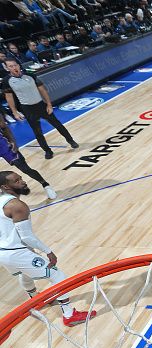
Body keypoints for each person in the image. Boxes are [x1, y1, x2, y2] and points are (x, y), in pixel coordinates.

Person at [0, 171, 96, 326]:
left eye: (21, 178)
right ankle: (69, 315)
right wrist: (48, 251)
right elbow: (27, 237)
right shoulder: (17, 206)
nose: (23, 182)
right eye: (17, 181)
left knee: (24, 273)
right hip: (16, 251)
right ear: (5, 186)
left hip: (4, 252)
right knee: (58, 275)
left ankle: (35, 299)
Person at [2, 59, 79, 160]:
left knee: (57, 124)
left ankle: (71, 140)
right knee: (37, 132)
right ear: (7, 68)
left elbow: (42, 89)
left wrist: (49, 104)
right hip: (27, 108)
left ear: (19, 65)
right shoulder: (7, 81)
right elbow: (9, 97)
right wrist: (15, 112)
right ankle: (47, 151)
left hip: (41, 105)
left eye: (15, 65)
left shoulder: (30, 75)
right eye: (11, 66)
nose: (14, 68)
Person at [0, 110, 57, 199]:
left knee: (26, 169)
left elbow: (4, 127)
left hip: (3, 145)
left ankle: (45, 185)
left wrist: (12, 141)